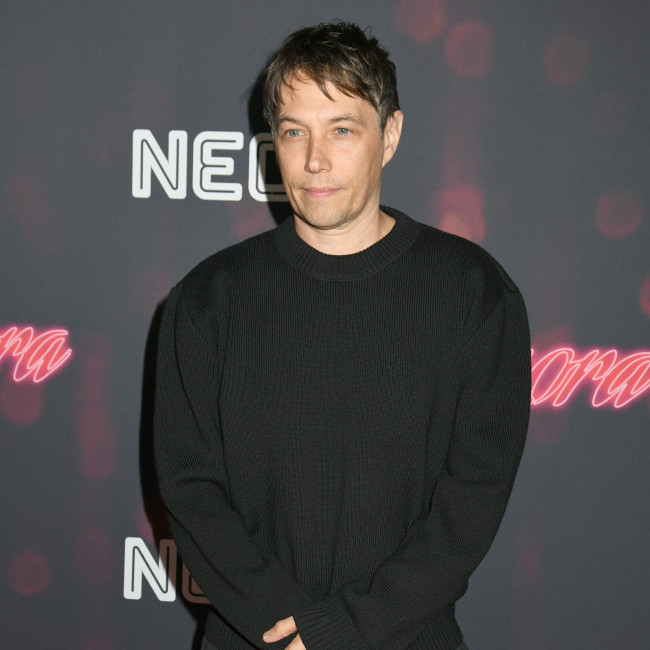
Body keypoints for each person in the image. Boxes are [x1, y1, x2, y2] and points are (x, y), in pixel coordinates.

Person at [154, 21, 530, 650]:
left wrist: (344, 631)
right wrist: (293, 632)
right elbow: (190, 490)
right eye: (294, 131)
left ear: (391, 135)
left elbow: (470, 503)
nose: (314, 160)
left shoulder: (474, 294)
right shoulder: (208, 299)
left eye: (342, 130)